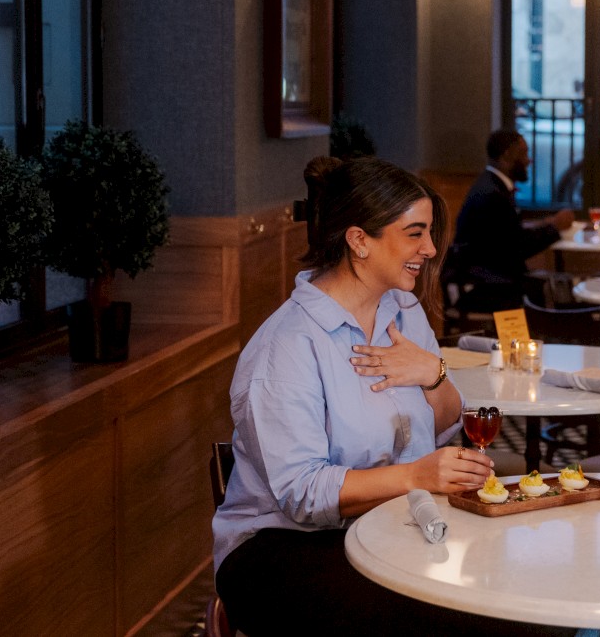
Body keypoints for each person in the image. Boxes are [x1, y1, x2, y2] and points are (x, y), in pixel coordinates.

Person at [212, 156, 571, 636]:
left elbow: (448, 423)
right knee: (485, 618)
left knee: (534, 596)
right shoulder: (288, 346)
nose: (428, 248)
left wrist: (433, 374)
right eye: (414, 233)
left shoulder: (402, 311)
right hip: (283, 548)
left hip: (396, 523)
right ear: (359, 240)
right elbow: (303, 495)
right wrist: (416, 475)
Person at [447, 129, 575, 313]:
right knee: (549, 288)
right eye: (524, 153)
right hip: (487, 283)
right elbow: (516, 248)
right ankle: (549, 336)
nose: (528, 160)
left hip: (489, 275)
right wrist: (554, 228)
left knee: (555, 282)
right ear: (507, 154)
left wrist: (545, 224)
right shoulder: (492, 194)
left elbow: (505, 236)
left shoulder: (491, 185)